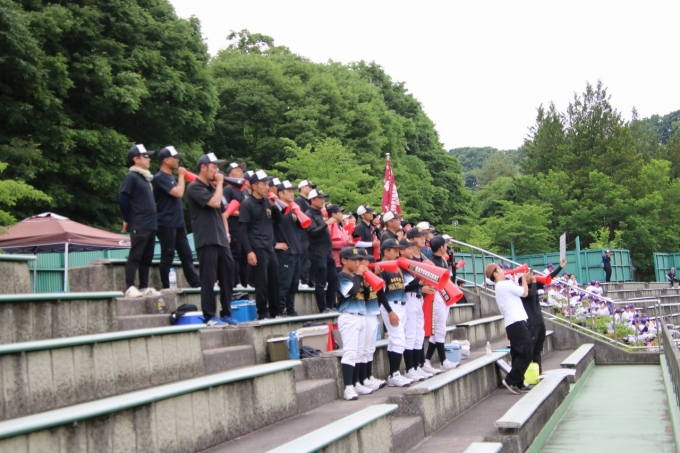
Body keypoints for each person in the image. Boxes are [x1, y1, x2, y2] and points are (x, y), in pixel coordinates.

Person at [186, 153, 236, 327]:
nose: (217, 171)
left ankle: (226, 312)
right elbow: (214, 203)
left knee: (228, 276)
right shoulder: (194, 187)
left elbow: (222, 211)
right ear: (203, 167)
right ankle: (209, 316)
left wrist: (226, 234)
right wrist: (220, 183)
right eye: (214, 167)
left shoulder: (213, 188)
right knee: (208, 279)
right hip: (206, 239)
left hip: (220, 238)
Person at [152, 146, 201, 289]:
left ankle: (196, 284)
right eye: (175, 158)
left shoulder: (170, 178)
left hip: (178, 223)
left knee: (187, 254)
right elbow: (178, 193)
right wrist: (181, 176)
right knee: (168, 255)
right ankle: (166, 287)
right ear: (166, 160)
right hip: (166, 223)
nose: (177, 160)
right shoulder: (160, 178)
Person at [119, 144, 161, 298]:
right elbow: (123, 198)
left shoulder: (144, 178)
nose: (149, 159)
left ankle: (143, 286)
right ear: (136, 159)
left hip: (150, 224)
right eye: (145, 156)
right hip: (139, 223)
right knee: (135, 255)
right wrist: (127, 218)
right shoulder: (131, 176)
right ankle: (130, 287)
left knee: (147, 257)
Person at [240, 170, 282, 320]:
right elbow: (242, 230)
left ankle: (275, 312)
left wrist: (274, 206)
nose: (267, 187)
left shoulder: (267, 201)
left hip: (269, 247)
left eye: (267, 184)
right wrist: (249, 251)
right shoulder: (247, 204)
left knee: (274, 280)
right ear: (254, 186)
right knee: (261, 282)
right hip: (256, 246)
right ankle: (262, 312)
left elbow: (278, 220)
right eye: (263, 184)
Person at [485, 262, 531, 394]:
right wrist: (523, 279)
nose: (503, 270)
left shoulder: (500, 287)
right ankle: (511, 380)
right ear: (495, 273)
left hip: (511, 323)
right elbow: (525, 293)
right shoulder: (505, 284)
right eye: (500, 269)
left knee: (517, 353)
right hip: (517, 322)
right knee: (526, 352)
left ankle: (519, 383)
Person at [519, 258, 566, 374]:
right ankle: (523, 372)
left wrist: (560, 267)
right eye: (529, 273)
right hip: (531, 323)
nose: (532, 275)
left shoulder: (534, 284)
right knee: (531, 349)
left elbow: (549, 278)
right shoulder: (522, 289)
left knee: (538, 349)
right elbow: (530, 294)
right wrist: (534, 282)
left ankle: (538, 370)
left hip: (539, 321)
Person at [336, 246, 370, 400]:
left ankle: (356, 383)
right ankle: (348, 387)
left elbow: (364, 296)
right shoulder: (341, 277)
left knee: (359, 352)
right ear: (343, 260)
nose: (357, 263)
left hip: (361, 315)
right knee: (350, 352)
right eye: (353, 260)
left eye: (358, 260)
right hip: (348, 316)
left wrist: (366, 286)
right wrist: (360, 277)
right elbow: (352, 292)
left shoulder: (357, 277)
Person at [400, 237, 435, 382]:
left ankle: (416, 367)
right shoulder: (401, 265)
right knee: (410, 334)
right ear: (401, 251)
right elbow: (404, 286)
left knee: (419, 334)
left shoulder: (412, 264)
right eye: (408, 248)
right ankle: (409, 368)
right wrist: (420, 280)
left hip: (418, 298)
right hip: (408, 299)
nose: (411, 250)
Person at [378, 239, 412, 387]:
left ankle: (393, 374)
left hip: (402, 304)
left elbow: (404, 286)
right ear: (386, 251)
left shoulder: (397, 267)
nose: (397, 253)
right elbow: (380, 292)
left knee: (395, 341)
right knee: (399, 340)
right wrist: (390, 311)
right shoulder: (381, 268)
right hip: (391, 305)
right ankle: (395, 374)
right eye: (394, 250)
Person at [424, 235, 458, 371]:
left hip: (445, 295)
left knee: (438, 331)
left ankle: (427, 360)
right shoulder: (431, 262)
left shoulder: (443, 260)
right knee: (440, 329)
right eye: (445, 245)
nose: (446, 247)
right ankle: (443, 361)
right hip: (436, 296)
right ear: (441, 247)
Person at [358, 248, 387, 391]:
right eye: (364, 260)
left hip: (374, 312)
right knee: (363, 349)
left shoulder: (369, 274)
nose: (367, 262)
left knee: (370, 349)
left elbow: (379, 293)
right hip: (364, 314)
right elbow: (363, 296)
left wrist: (375, 275)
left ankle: (368, 377)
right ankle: (362, 379)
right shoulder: (357, 276)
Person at [305, 188, 338, 313]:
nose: (323, 200)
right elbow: (312, 232)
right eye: (320, 198)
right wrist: (326, 223)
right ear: (312, 200)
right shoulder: (309, 214)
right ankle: (322, 308)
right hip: (317, 252)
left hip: (327, 252)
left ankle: (330, 305)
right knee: (320, 282)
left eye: (323, 198)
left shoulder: (319, 214)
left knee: (333, 279)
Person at [273, 180, 303, 316]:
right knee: (284, 283)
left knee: (293, 284)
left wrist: (298, 211)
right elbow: (267, 227)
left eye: (293, 191)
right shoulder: (276, 208)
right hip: (284, 252)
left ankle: (290, 309)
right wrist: (274, 244)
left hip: (296, 251)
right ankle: (280, 310)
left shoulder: (293, 209)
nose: (292, 193)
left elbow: (303, 226)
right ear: (280, 193)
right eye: (289, 191)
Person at [223, 162, 249, 289]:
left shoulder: (244, 190)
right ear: (230, 174)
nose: (241, 172)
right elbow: (225, 209)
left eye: (241, 170)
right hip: (234, 227)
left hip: (245, 228)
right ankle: (235, 282)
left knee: (245, 255)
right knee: (236, 255)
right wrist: (243, 214)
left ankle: (245, 282)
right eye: (237, 170)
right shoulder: (228, 189)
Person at [296, 180, 315, 288]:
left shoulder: (307, 201)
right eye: (309, 186)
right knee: (304, 259)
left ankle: (308, 280)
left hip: (308, 235)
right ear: (302, 187)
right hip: (302, 234)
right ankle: (302, 280)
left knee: (308, 260)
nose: (311, 189)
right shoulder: (299, 200)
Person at [328, 204, 351, 272]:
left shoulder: (341, 227)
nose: (342, 215)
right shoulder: (329, 226)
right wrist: (346, 242)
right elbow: (330, 243)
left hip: (344, 261)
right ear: (333, 214)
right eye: (340, 212)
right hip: (335, 262)